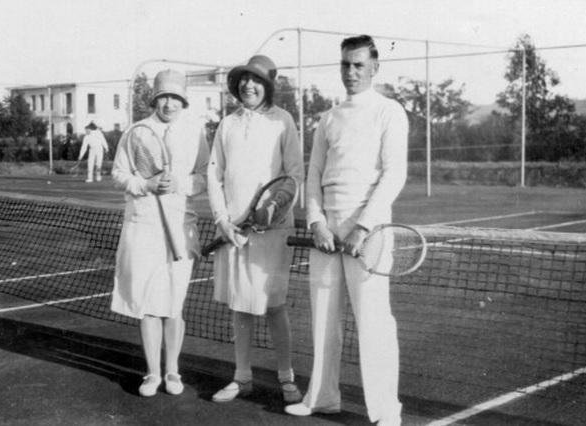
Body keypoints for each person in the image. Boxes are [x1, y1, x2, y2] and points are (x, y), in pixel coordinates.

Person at [284, 35, 408, 426]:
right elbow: (315, 173)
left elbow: (394, 174)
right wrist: (317, 221)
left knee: (373, 320)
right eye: (345, 65)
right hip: (327, 231)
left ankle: (386, 411)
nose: (350, 73)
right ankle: (322, 397)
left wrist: (363, 227)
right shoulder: (329, 117)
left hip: (368, 231)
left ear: (374, 67)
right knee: (323, 317)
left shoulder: (390, 112)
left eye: (358, 65)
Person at [206, 55, 304, 404]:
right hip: (233, 230)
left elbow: (293, 175)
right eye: (245, 79)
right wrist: (222, 220)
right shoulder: (227, 124)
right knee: (240, 306)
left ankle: (287, 378)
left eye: (257, 81)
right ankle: (242, 377)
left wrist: (273, 208)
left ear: (268, 87)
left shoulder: (283, 121)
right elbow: (214, 175)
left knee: (274, 305)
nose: (249, 85)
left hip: (272, 232)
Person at [110, 69, 209, 397]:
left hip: (181, 228)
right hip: (144, 228)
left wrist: (180, 184)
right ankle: (152, 373)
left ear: (183, 101)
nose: (170, 104)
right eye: (164, 97)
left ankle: (173, 371)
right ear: (155, 99)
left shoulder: (196, 132)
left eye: (176, 98)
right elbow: (120, 174)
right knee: (150, 304)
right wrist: (146, 184)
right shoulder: (137, 131)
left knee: (174, 304)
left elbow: (203, 177)